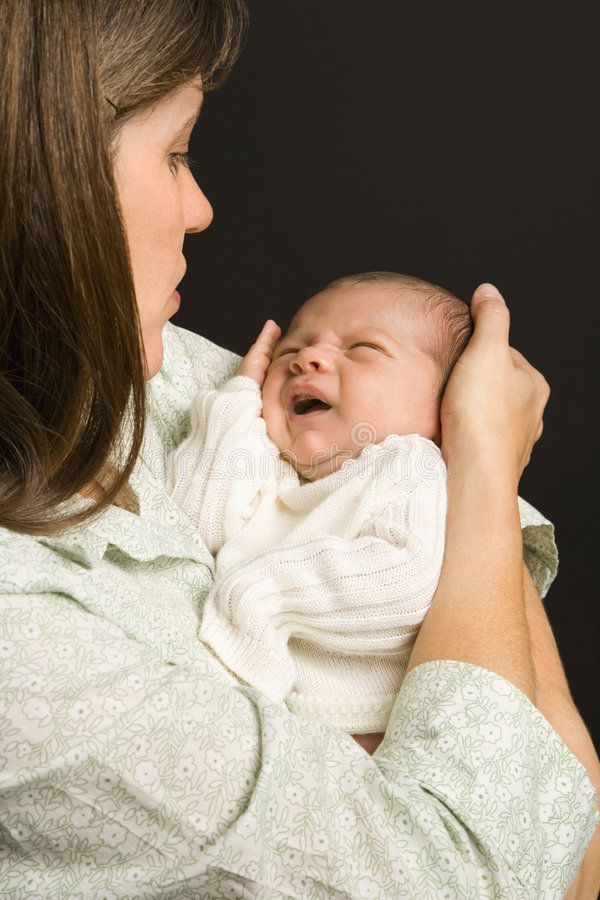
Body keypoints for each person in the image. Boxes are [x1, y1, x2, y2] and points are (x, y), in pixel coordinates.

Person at [0, 2, 598, 897]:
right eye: (174, 153)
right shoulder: (27, 649)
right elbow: (481, 874)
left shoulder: (138, 373)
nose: (200, 208)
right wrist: (485, 464)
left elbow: (571, 827)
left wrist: (469, 470)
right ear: (51, 175)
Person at [167, 272, 557, 741]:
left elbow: (405, 576)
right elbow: (192, 523)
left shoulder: (409, 467)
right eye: (288, 352)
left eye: (362, 350)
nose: (306, 359)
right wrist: (238, 399)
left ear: (443, 403)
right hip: (258, 717)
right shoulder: (269, 464)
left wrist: (262, 596)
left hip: (364, 731)